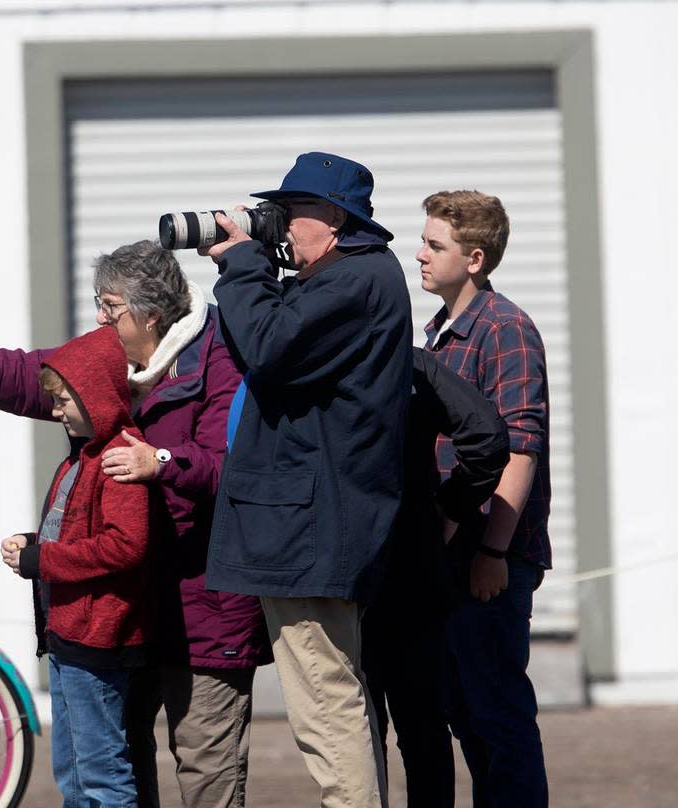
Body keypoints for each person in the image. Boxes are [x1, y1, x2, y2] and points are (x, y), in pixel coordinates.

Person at [0, 240, 269, 808]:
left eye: (109, 307)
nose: (98, 318)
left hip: (203, 601)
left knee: (205, 765)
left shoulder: (222, 356)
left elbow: (233, 469)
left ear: (151, 315)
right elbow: (34, 373)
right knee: (119, 759)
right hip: (128, 609)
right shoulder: (109, 354)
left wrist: (159, 463)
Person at [200, 152, 413, 808]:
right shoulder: (346, 280)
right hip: (310, 522)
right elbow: (268, 355)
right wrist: (250, 270)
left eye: (294, 212)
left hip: (311, 528)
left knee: (325, 700)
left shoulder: (355, 281)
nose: (282, 225)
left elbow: (267, 346)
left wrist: (241, 261)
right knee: (332, 694)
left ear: (334, 217)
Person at [417, 189, 551, 807]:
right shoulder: (440, 332)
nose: (418, 254)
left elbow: (520, 448)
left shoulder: (506, 329)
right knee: (465, 714)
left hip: (486, 559)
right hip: (449, 556)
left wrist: (493, 550)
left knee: (498, 716)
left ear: (474, 258)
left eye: (433, 244)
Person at [0, 326, 151, 807]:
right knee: (73, 774)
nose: (55, 410)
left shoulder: (119, 457)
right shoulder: (81, 456)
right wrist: (34, 539)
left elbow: (126, 545)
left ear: (97, 396)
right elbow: (77, 530)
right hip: (69, 637)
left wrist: (42, 558)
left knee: (101, 776)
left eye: (64, 399)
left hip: (97, 642)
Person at [362, 347, 509, 807]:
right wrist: (450, 505)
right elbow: (486, 437)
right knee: (422, 729)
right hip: (413, 571)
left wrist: (452, 505)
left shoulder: (313, 355)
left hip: (354, 579)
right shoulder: (409, 362)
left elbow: (487, 440)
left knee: (356, 736)